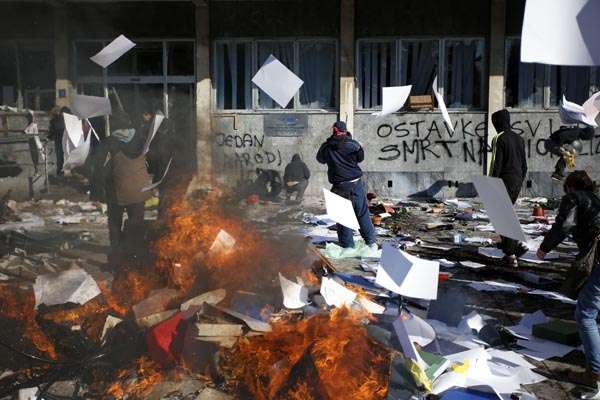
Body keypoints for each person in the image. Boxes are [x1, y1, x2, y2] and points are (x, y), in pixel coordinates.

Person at [536, 172, 600, 398]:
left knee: (585, 313)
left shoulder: (573, 198)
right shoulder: (596, 199)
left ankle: (594, 372)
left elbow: (565, 224)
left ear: (570, 186)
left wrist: (545, 247)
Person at [92, 111, 152, 266]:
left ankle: (117, 258)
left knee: (114, 224)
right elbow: (152, 161)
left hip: (117, 190)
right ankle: (136, 256)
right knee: (136, 224)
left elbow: (99, 168)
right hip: (140, 189)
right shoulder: (142, 139)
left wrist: (97, 190)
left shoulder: (110, 142)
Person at [317, 121, 376, 249]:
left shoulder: (326, 147)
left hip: (339, 186)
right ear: (345, 131)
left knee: (343, 216)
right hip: (355, 183)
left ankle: (348, 245)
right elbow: (360, 158)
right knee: (361, 213)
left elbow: (320, 159)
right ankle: (371, 242)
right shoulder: (353, 144)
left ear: (333, 131)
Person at [489, 109, 528, 267]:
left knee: (501, 215)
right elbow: (524, 164)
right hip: (517, 180)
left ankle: (512, 253)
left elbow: (495, 164)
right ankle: (512, 247)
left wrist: (490, 184)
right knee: (504, 214)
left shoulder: (499, 138)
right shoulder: (519, 138)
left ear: (497, 122)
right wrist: (519, 179)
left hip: (504, 179)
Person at [47, 106, 70, 176]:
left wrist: (49, 137)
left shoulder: (55, 120)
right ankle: (61, 171)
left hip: (60, 140)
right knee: (62, 156)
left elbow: (52, 131)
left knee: (60, 156)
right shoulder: (62, 120)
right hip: (62, 140)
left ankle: (60, 171)